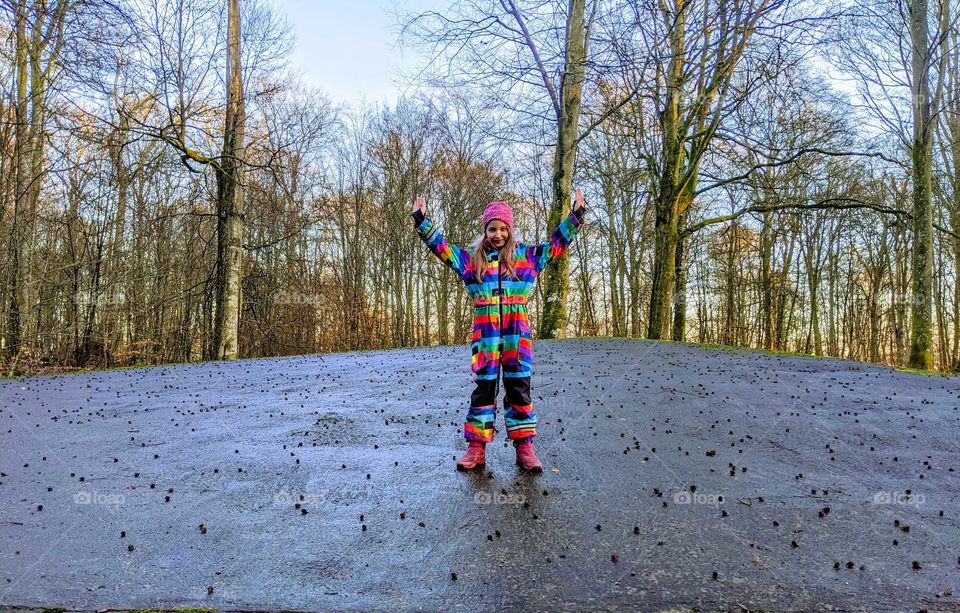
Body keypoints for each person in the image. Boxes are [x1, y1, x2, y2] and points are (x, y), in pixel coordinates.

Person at [410, 189, 586, 472]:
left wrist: (575, 217)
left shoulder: (527, 257)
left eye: (503, 228)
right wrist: (422, 222)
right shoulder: (470, 260)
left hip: (517, 339)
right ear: (485, 230)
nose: (497, 234)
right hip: (486, 340)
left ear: (510, 230)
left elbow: (557, 243)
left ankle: (524, 447)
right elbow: (442, 248)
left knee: (519, 390)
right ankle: (476, 447)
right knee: (484, 390)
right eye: (492, 228)